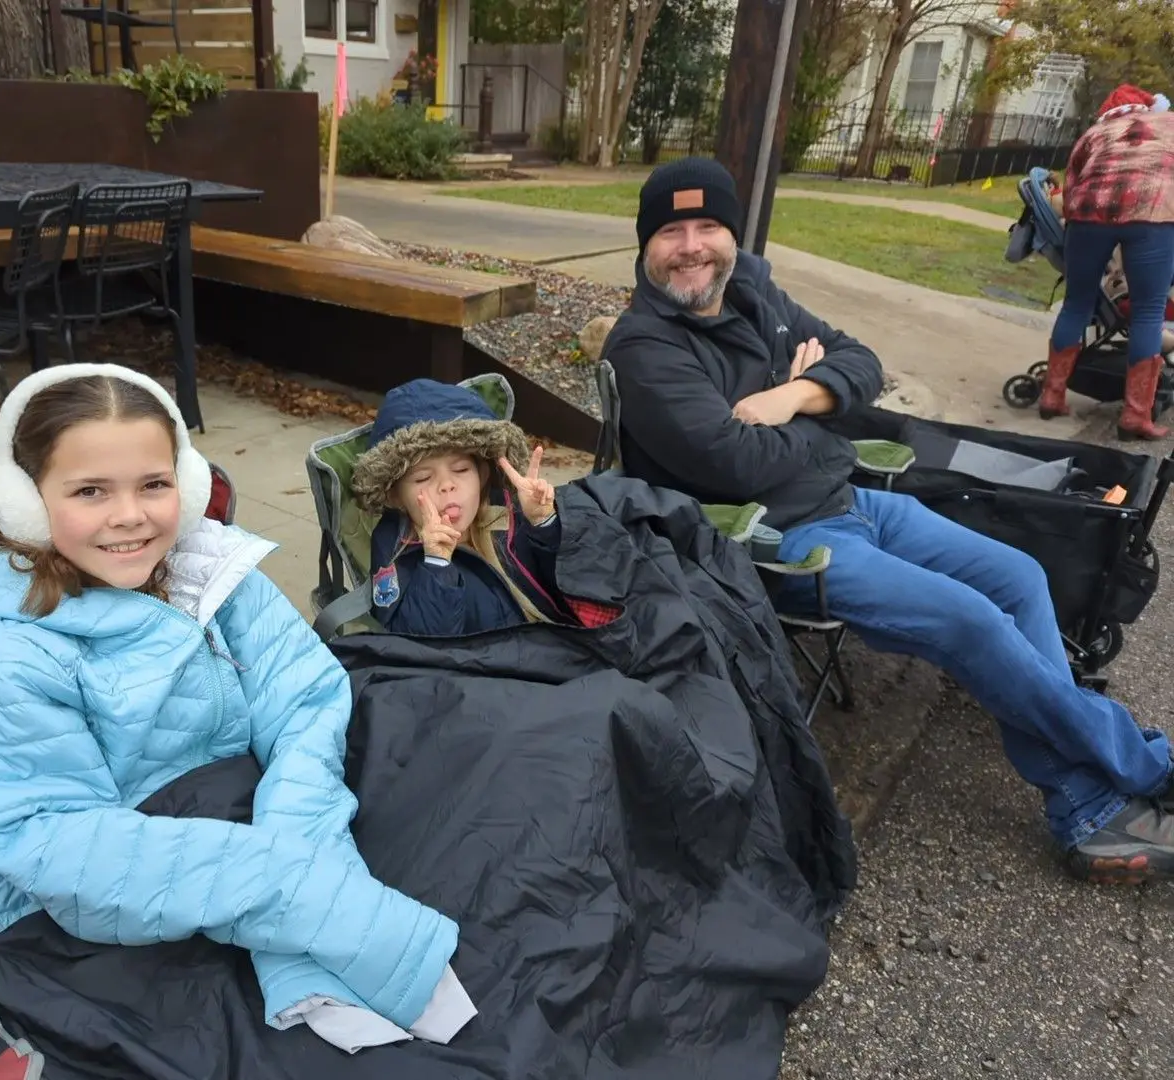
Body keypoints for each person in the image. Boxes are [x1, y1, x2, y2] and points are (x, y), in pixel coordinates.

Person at [601, 157, 1174, 883]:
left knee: (1019, 575)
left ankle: (1081, 799)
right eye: (671, 231)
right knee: (973, 622)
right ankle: (1135, 771)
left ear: (731, 235)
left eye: (708, 225)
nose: (691, 246)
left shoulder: (752, 289)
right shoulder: (645, 347)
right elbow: (736, 466)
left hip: (853, 501)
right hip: (773, 542)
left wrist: (792, 395)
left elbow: (863, 366)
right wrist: (828, 410)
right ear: (644, 246)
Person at [0, 362, 474, 1052]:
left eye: (154, 485)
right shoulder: (0, 655)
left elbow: (303, 694)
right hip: (105, 914)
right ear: (26, 503)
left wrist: (301, 841)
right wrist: (294, 889)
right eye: (90, 490)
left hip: (252, 834)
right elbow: (54, 847)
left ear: (185, 488)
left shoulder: (206, 570)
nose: (130, 515)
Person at [350, 378, 569, 636]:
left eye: (461, 469)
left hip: (558, 642)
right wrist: (436, 564)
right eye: (423, 478)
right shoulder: (395, 548)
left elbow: (567, 586)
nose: (446, 485)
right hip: (481, 666)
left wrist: (544, 524)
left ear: (482, 475)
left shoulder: (507, 513)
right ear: (395, 497)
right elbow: (416, 644)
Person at [1038, 83, 1174, 440]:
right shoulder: (1169, 125)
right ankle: (1135, 417)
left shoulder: (1095, 132)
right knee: (1148, 311)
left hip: (1088, 215)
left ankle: (1052, 395)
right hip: (1154, 214)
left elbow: (1070, 182)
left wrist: (1077, 217)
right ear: (1148, 108)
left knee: (1076, 303)